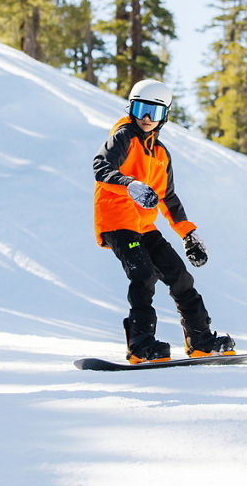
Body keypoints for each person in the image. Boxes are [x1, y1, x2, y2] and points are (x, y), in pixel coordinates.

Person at [93, 79, 235, 363]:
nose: (146, 118)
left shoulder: (160, 154)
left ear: (164, 116)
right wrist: (130, 185)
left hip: (144, 225)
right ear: (131, 108)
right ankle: (140, 343)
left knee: (179, 275)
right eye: (141, 109)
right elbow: (101, 167)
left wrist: (188, 233)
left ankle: (201, 339)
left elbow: (168, 198)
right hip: (117, 220)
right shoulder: (123, 136)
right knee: (143, 275)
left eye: (154, 113)